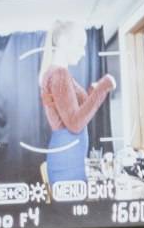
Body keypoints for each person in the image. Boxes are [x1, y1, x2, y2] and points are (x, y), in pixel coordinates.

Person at [38, 19, 115, 188]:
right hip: (67, 162)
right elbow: (75, 124)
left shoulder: (58, 74)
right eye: (80, 45)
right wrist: (104, 86)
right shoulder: (59, 75)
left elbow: (78, 110)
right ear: (64, 42)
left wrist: (94, 91)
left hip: (69, 158)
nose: (83, 53)